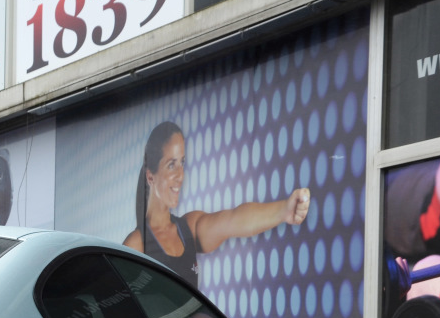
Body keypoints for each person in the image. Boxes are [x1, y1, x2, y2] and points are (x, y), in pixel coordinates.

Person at [123, 121, 311, 286]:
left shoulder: (188, 228)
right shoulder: (136, 246)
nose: (181, 175)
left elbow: (233, 220)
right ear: (150, 176)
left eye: (182, 162)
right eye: (171, 164)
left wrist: (283, 211)